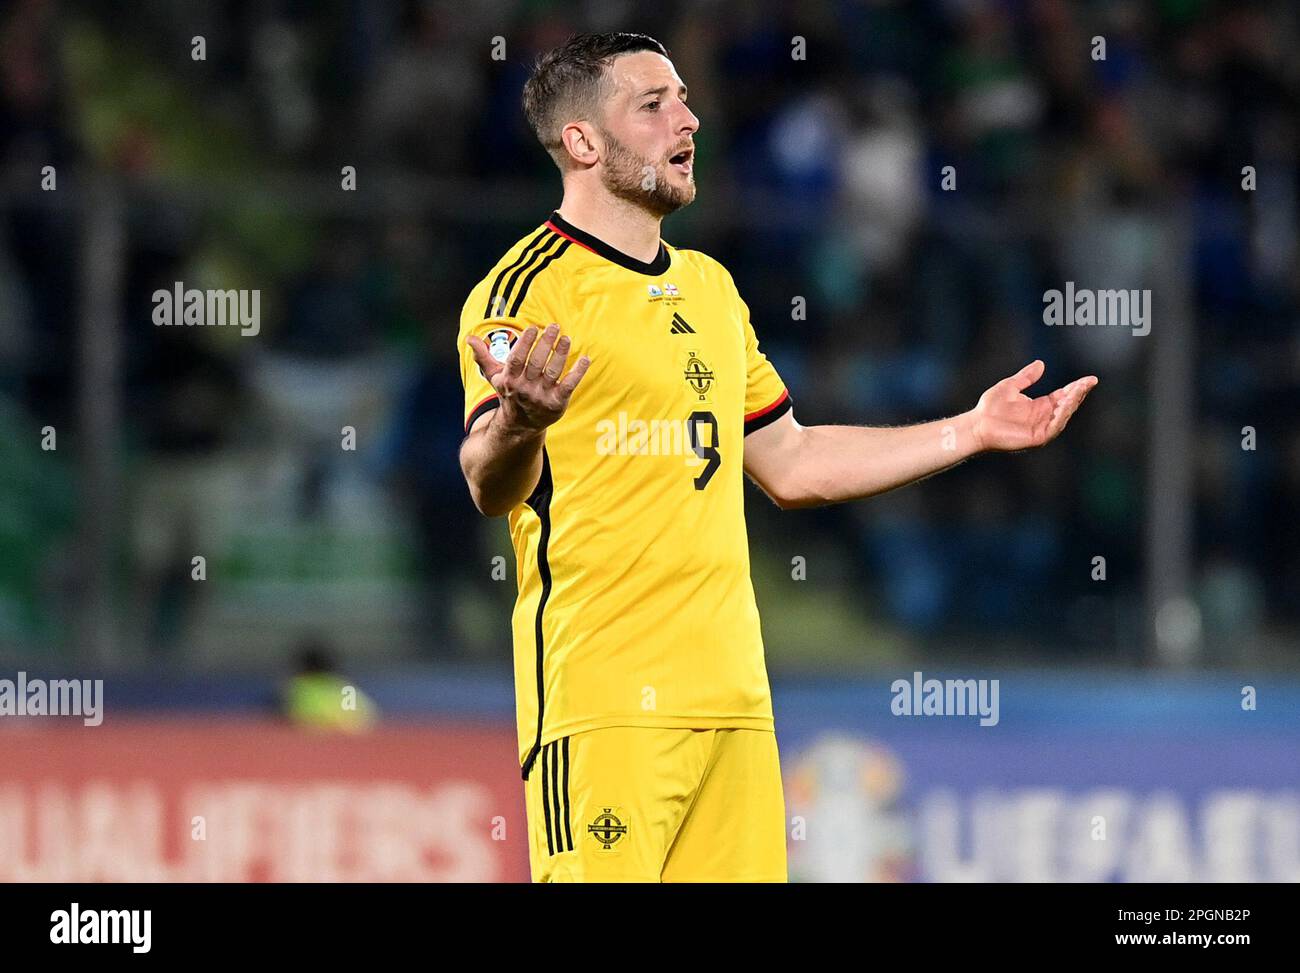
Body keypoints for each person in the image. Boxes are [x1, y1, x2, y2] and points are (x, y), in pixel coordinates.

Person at [456, 32, 1096, 882]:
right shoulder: (525, 290)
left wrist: (969, 431)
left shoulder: (710, 290)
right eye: (652, 106)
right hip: (605, 707)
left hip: (735, 708)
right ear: (581, 142)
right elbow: (488, 482)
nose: (687, 119)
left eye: (684, 99)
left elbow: (791, 462)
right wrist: (522, 425)